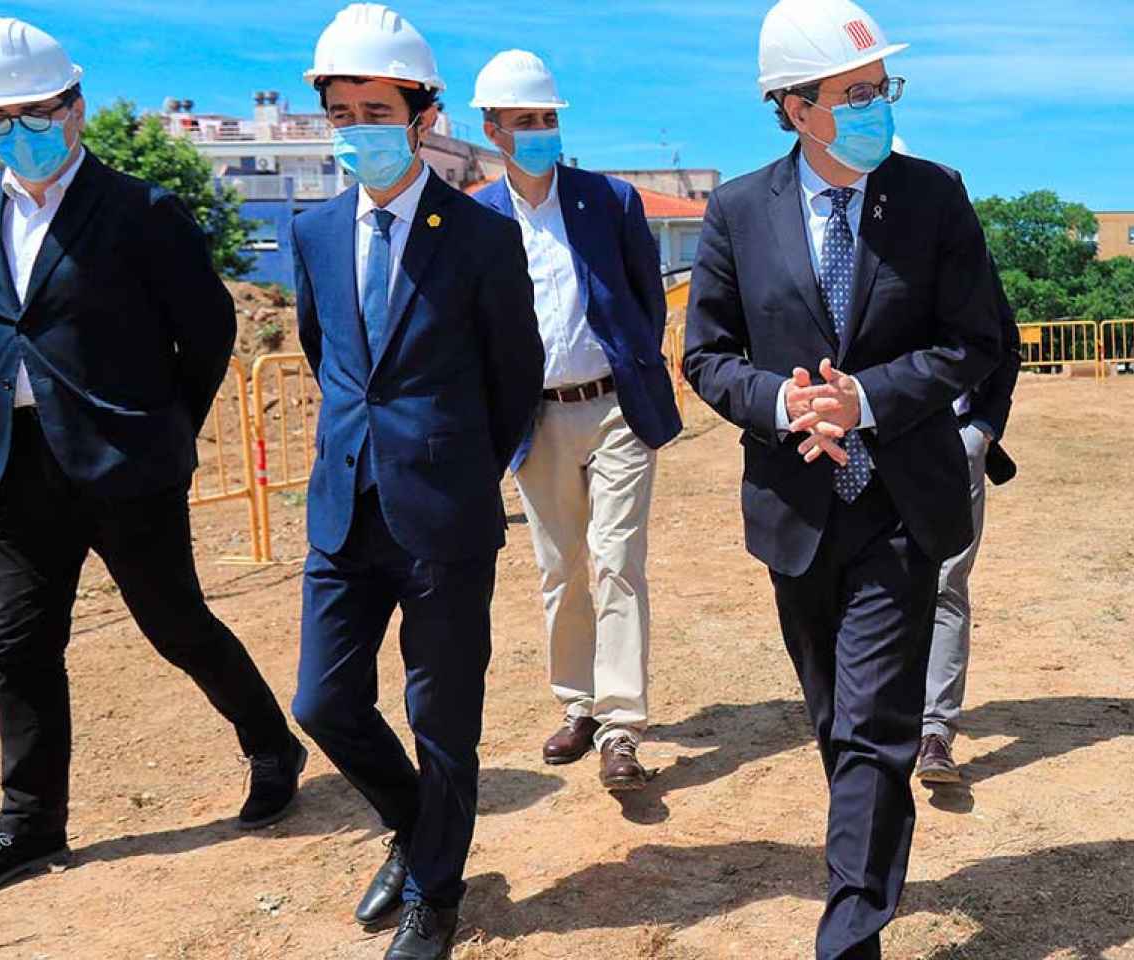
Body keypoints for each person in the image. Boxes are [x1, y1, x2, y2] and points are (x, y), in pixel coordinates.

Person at [683, 1, 1001, 954]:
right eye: (853, 93)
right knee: (835, 720)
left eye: (879, 90)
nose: (875, 108)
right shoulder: (739, 209)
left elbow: (973, 341)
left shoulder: (935, 195)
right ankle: (867, 845)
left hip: (902, 503)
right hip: (796, 508)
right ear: (792, 107)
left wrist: (863, 400)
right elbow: (706, 355)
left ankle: (849, 932)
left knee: (872, 726)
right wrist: (786, 405)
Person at [0, 16, 305, 889]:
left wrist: (165, 427)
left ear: (75, 109)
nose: (20, 131)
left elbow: (206, 333)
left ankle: (271, 744)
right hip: (18, 466)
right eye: (2, 116)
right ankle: (32, 822)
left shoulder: (141, 209)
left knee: (174, 625)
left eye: (36, 111)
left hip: (125, 463)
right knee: (15, 645)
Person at [287, 6, 543, 958]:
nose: (359, 128)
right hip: (342, 507)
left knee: (443, 718)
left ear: (422, 111)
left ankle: (439, 889)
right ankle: (415, 826)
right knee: (323, 702)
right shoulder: (312, 232)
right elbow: (328, 358)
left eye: (376, 108)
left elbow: (513, 378)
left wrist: (458, 471)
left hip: (443, 516)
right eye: (341, 111)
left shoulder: (478, 238)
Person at [469, 50, 683, 793]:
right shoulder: (477, 218)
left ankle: (622, 725)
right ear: (492, 129)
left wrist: (634, 368)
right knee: (560, 569)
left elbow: (645, 299)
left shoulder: (610, 200)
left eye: (547, 120)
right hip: (536, 418)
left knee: (615, 559)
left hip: (618, 406)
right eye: (523, 122)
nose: (538, 133)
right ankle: (579, 704)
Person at [887, 137, 1022, 787]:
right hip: (868, 449)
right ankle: (881, 717)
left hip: (953, 443)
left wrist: (983, 431)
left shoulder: (965, 262)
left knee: (943, 583)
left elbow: (1006, 342)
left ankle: (936, 730)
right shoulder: (837, 266)